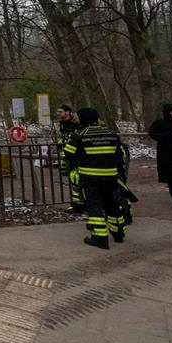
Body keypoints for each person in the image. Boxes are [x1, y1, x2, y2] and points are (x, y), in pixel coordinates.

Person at [64, 107, 127, 249]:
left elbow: (68, 153)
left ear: (82, 118)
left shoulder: (79, 134)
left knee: (94, 205)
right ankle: (118, 233)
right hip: (111, 176)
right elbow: (119, 155)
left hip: (90, 177)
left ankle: (100, 237)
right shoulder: (110, 133)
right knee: (112, 204)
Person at [56, 105, 83, 212]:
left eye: (60, 111)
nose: (58, 114)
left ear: (68, 112)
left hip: (76, 154)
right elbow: (63, 136)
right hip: (67, 154)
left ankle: (82, 203)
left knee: (78, 179)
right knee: (72, 179)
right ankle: (76, 203)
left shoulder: (76, 122)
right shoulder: (63, 123)